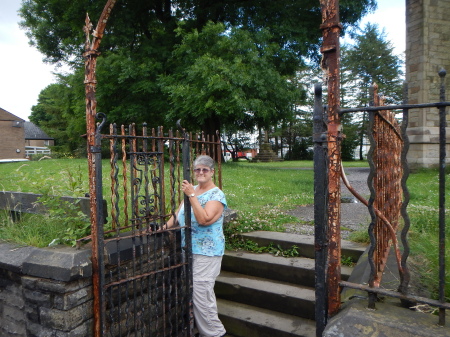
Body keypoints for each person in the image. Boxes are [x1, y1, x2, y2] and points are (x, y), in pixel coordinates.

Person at [165, 155, 227, 337]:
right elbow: (177, 215)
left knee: (201, 295)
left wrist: (191, 195)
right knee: (197, 294)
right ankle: (203, 331)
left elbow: (204, 219)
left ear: (212, 172)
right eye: (197, 169)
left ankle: (216, 333)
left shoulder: (216, 195)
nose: (200, 173)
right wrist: (160, 229)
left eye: (204, 170)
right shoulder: (192, 191)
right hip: (190, 249)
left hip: (208, 253)